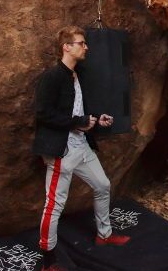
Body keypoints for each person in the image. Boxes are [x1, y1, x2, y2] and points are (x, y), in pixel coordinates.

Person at [33, 26, 130, 271]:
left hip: (82, 146)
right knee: (54, 204)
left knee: (103, 185)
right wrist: (80, 122)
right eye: (81, 43)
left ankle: (104, 235)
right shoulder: (52, 76)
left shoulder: (77, 75)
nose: (85, 47)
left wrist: (96, 118)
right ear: (67, 47)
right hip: (61, 150)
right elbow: (43, 115)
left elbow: (76, 112)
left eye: (85, 43)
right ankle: (49, 261)